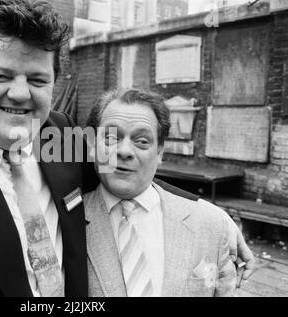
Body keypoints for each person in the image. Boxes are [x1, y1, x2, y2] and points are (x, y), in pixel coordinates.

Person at [0, 0, 252, 296]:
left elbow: (122, 171)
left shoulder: (58, 133)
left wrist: (209, 213)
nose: (20, 94)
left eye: (37, 80)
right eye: (1, 75)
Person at [84, 88, 238, 296]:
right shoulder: (65, 222)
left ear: (160, 151)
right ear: (93, 144)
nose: (125, 151)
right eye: (112, 137)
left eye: (142, 141)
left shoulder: (211, 225)